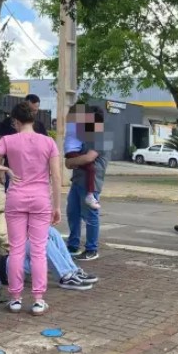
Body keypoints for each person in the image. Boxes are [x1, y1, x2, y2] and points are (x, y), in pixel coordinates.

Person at [0, 101, 61, 316]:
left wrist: (4, 167)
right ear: (33, 118)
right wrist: (57, 206)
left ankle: (15, 298)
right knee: (38, 250)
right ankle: (38, 300)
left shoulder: (8, 140)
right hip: (41, 199)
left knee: (16, 249)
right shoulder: (48, 142)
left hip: (16, 198)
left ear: (15, 120)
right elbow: (56, 177)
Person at [64, 106, 110, 261]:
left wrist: (70, 161)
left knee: (90, 216)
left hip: (91, 184)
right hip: (77, 180)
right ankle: (73, 245)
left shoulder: (103, 137)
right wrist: (71, 161)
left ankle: (91, 249)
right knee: (73, 213)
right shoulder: (85, 137)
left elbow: (89, 158)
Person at [0, 94, 48, 190]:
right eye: (30, 110)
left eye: (35, 111)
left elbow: (47, 152)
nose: (32, 113)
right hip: (12, 172)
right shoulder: (8, 123)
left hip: (35, 173)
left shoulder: (40, 126)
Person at [64, 105, 101, 210]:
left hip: (71, 151)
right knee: (90, 169)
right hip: (73, 151)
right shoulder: (76, 125)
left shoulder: (72, 124)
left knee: (86, 166)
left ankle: (89, 195)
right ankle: (90, 195)